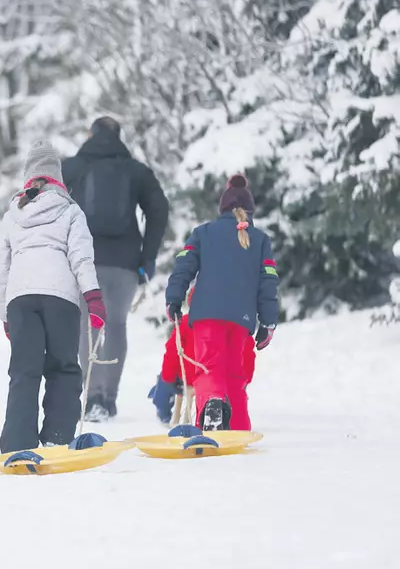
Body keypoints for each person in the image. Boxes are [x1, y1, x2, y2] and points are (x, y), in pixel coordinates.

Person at [0, 141, 107, 453]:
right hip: (60, 300)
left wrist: (5, 315)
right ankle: (57, 438)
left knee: (24, 371)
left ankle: (17, 442)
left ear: (29, 176)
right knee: (63, 368)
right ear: (58, 176)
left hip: (20, 299)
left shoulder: (12, 215)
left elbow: (0, 270)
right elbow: (81, 258)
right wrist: (93, 296)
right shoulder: (70, 211)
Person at [62, 115, 170, 420]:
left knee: (88, 325)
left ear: (90, 133)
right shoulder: (136, 171)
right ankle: (108, 399)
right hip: (125, 262)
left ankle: (92, 396)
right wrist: (148, 256)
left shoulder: (73, 166)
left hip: (84, 260)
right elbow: (159, 209)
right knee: (117, 324)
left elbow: (45, 199)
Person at [165, 174, 278, 431]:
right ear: (249, 211)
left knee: (209, 367)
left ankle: (212, 408)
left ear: (223, 208)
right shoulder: (260, 240)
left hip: (207, 315)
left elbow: (183, 266)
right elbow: (268, 283)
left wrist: (174, 299)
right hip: (242, 319)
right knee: (235, 375)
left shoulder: (204, 233)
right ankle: (238, 428)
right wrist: (268, 322)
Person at [148, 287, 256, 424]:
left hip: (189, 378)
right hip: (223, 378)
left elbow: (172, 353)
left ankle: (162, 409)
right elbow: (247, 355)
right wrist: (245, 380)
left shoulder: (185, 323)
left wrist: (168, 378)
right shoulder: (235, 325)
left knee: (163, 379)